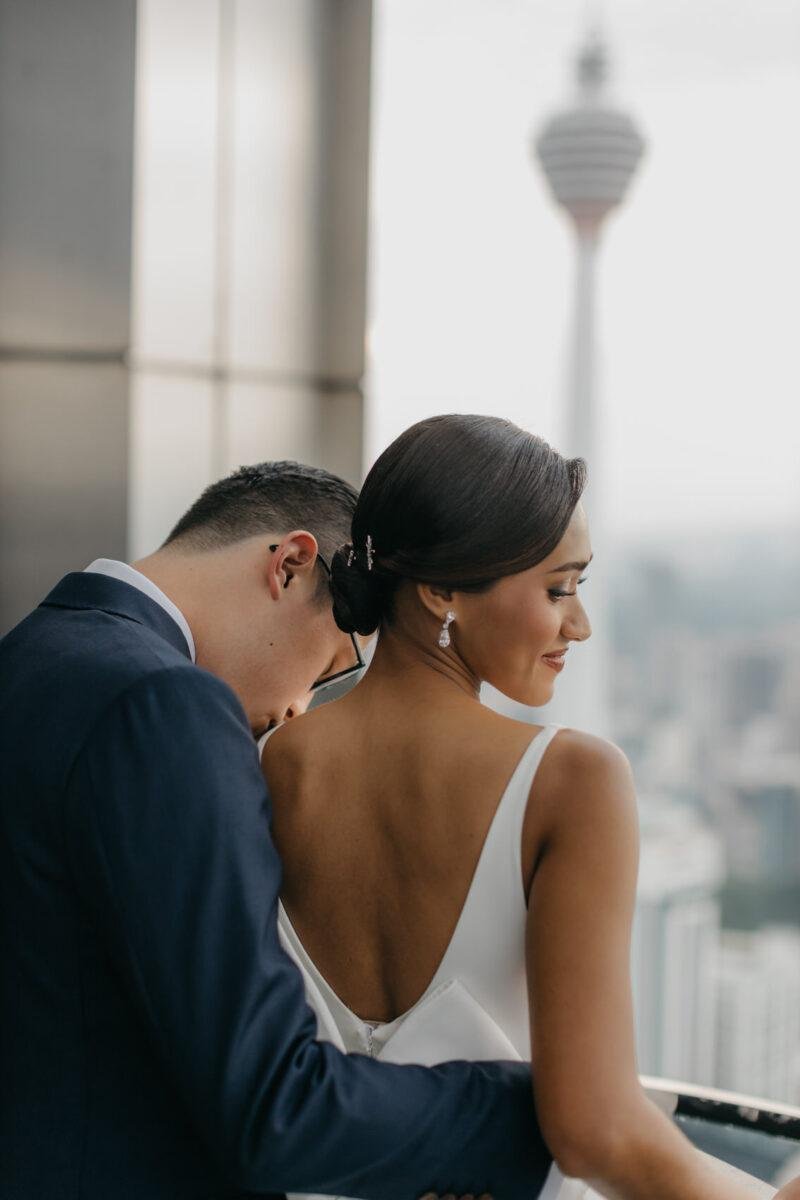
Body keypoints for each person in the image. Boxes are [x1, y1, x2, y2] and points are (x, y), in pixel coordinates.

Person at [260, 416, 797, 1200]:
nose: (578, 625)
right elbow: (597, 1130)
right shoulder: (571, 781)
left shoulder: (266, 760)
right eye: (559, 589)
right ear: (441, 589)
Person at [0, 461, 555, 1199]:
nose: (298, 710)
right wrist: (539, 1113)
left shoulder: (30, 654)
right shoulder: (166, 704)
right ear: (292, 565)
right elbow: (273, 1110)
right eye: (329, 667)